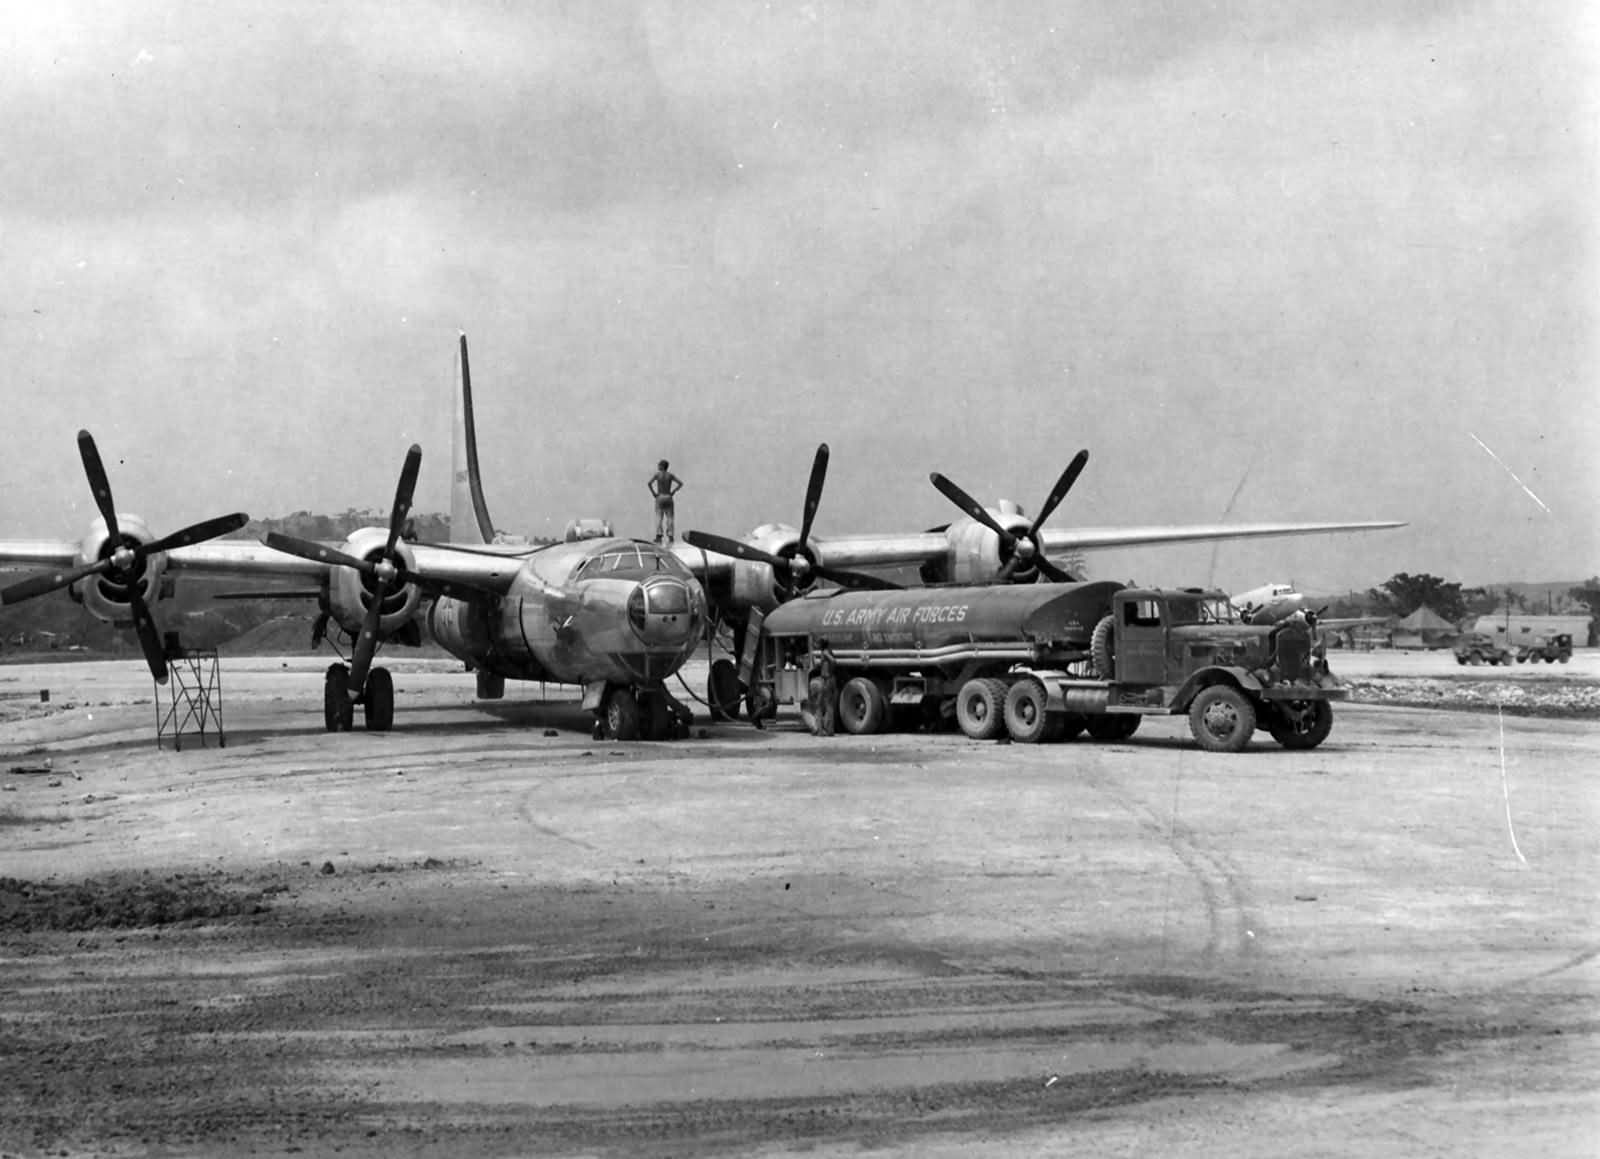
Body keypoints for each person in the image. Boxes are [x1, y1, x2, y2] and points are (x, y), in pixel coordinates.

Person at [647, 460, 683, 544]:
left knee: (659, 517)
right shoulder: (670, 475)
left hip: (660, 497)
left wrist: (653, 493)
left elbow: (649, 483)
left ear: (662, 466)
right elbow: (680, 483)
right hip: (668, 496)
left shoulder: (657, 475)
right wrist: (674, 491)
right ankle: (670, 535)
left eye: (659, 465)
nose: (658, 466)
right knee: (670, 517)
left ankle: (659, 535)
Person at [808, 637, 837, 736]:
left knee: (823, 705)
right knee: (829, 705)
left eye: (819, 644)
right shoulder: (828, 651)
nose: (818, 646)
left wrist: (828, 671)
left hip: (827, 680)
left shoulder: (825, 652)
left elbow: (833, 661)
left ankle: (824, 730)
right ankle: (829, 730)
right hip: (830, 679)